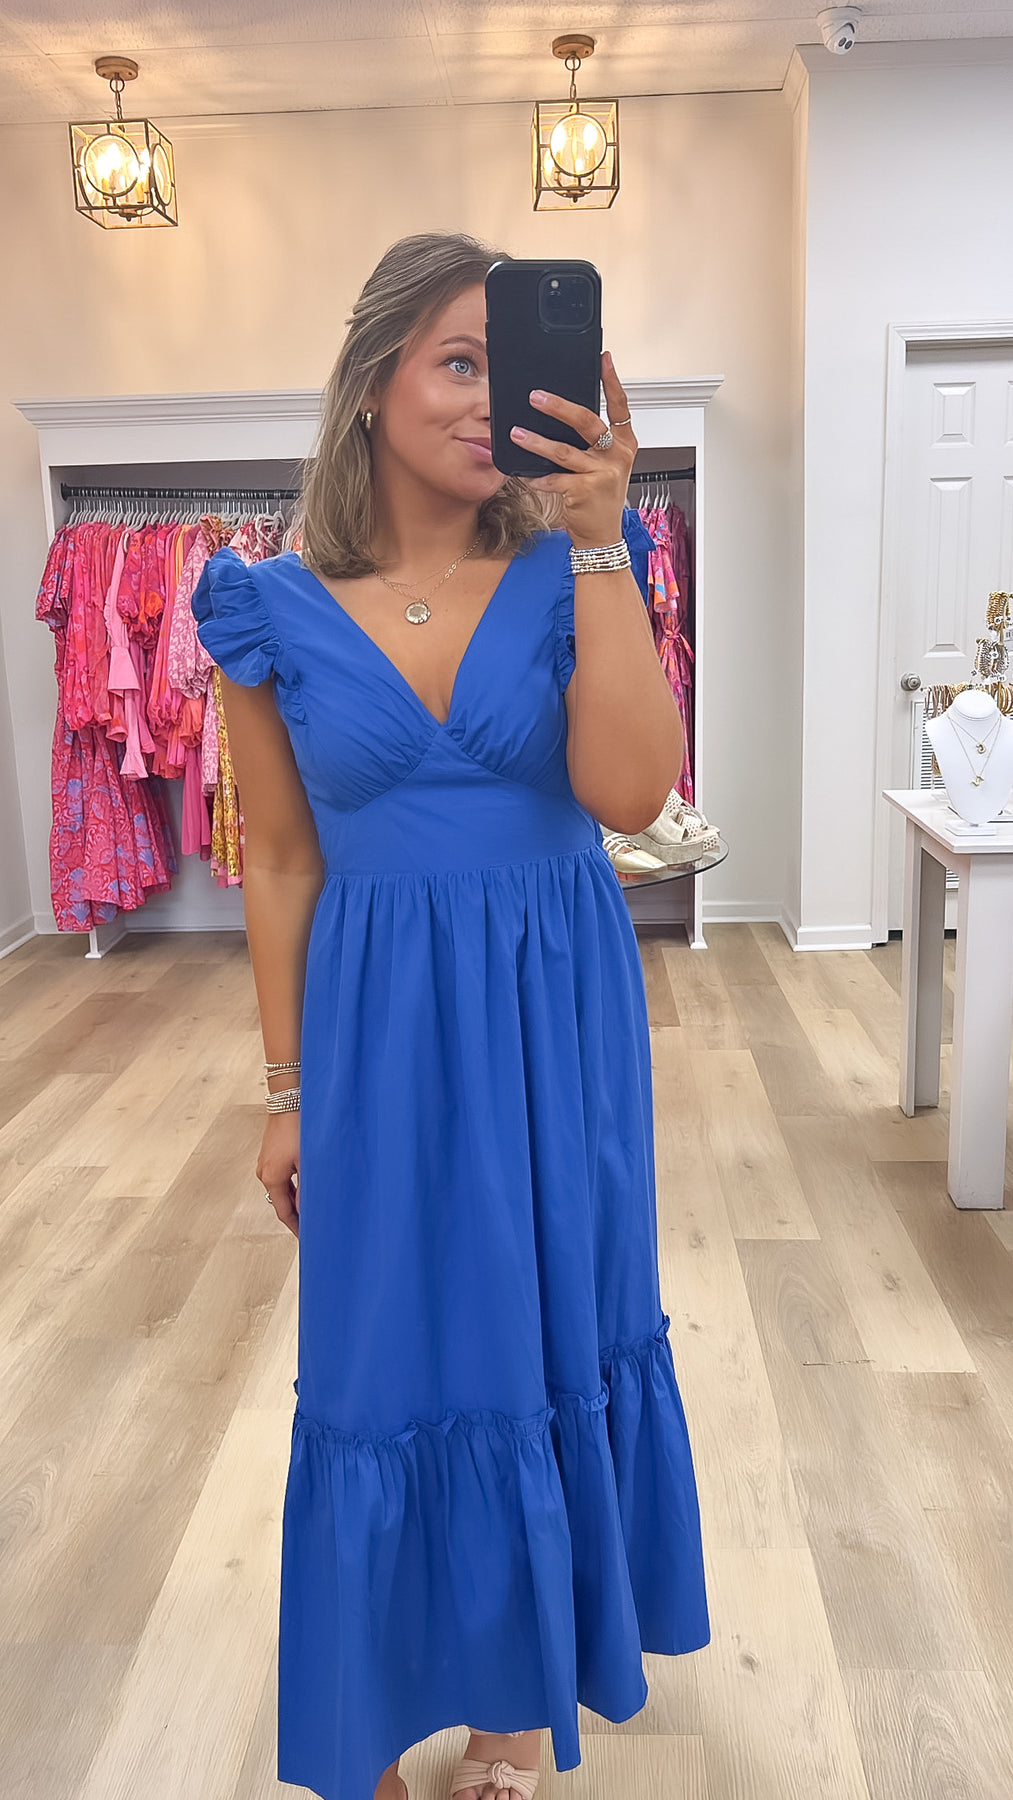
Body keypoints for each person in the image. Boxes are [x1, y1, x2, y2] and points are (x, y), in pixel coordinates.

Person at [191, 231, 710, 1800]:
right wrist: (284, 1090)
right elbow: (282, 861)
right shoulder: (265, 610)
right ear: (371, 385)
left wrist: (603, 534)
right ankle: (378, 1705)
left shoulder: (576, 572)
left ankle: (507, 1721)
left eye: (512, 362)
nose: (491, 400)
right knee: (383, 1357)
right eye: (456, 362)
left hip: (557, 1021)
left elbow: (633, 792)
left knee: (547, 1332)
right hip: (379, 1035)